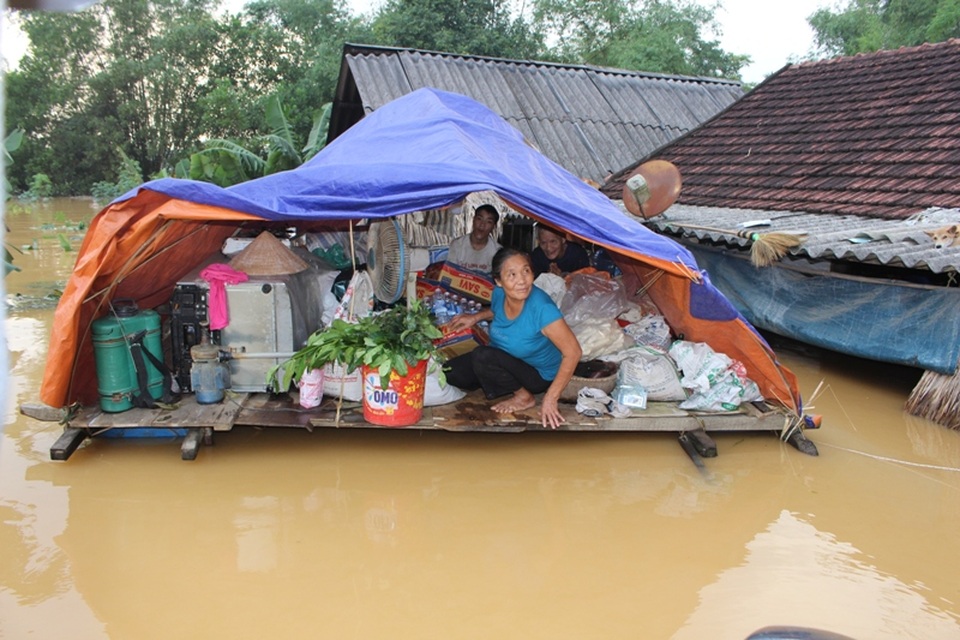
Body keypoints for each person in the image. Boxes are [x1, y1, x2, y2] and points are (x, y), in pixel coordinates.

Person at [445, 247, 582, 429]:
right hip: (505, 357)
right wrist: (475, 317)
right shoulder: (499, 293)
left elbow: (573, 353)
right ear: (498, 281)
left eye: (526, 271)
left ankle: (524, 397)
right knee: (450, 372)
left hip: (537, 373)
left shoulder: (543, 309)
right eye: (512, 275)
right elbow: (496, 310)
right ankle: (497, 381)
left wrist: (550, 398)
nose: (522, 281)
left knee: (483, 356)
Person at [446, 204, 501, 275]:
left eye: (488, 222)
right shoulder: (457, 245)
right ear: (473, 220)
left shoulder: (497, 251)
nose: (482, 225)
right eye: (479, 219)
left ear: (494, 226)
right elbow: (449, 274)